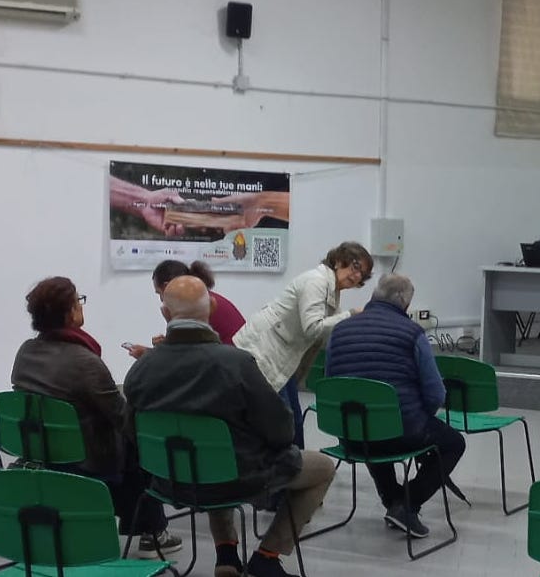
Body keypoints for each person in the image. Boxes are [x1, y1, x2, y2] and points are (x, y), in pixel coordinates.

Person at [125, 276, 335, 577]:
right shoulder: (236, 364)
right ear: (211, 307)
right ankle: (267, 555)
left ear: (165, 314)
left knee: (210, 458)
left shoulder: (141, 369)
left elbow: (131, 432)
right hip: (240, 478)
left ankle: (226, 554)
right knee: (322, 468)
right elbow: (282, 430)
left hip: (169, 480)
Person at [9, 276, 181, 559]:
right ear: (69, 313)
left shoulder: (26, 351)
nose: (81, 305)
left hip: (39, 456)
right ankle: (152, 533)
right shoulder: (85, 362)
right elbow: (122, 418)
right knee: (139, 444)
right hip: (86, 461)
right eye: (78, 301)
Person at [325, 274, 465, 538]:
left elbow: (330, 383)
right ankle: (406, 504)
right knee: (453, 443)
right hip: (402, 432)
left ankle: (394, 501)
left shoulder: (339, 330)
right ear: (405, 304)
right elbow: (436, 394)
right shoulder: (413, 334)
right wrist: (422, 417)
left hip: (351, 434)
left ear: (373, 295)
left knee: (372, 426)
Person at [234, 241, 373, 449]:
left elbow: (326, 331)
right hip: (263, 352)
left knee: (293, 420)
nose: (357, 275)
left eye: (362, 273)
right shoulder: (316, 281)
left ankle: (296, 463)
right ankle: (289, 464)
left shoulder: (332, 289)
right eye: (355, 266)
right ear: (338, 261)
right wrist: (351, 315)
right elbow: (313, 328)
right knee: (283, 422)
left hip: (282, 356)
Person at [124, 259, 246, 358]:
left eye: (159, 293)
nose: (161, 300)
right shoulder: (202, 299)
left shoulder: (198, 305)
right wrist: (167, 342)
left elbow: (188, 357)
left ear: (167, 287)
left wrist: (149, 354)